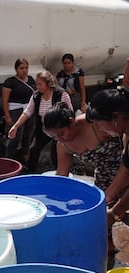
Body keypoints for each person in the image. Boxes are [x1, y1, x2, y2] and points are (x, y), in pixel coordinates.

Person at [43, 102, 122, 193]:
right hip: (104, 177)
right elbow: (62, 174)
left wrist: (111, 193)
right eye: (54, 137)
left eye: (61, 134)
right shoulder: (62, 145)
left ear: (71, 121)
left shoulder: (95, 123)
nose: (59, 139)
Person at [8, 70, 73, 172]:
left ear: (48, 83)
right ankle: (31, 173)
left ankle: (62, 174)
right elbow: (27, 112)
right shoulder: (36, 96)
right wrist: (15, 126)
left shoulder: (61, 94)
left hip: (59, 130)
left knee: (55, 154)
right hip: (44, 129)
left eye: (40, 84)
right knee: (33, 150)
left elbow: (70, 112)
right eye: (36, 83)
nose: (37, 86)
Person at [85, 87, 129, 227]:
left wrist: (114, 213)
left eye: (99, 123)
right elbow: (126, 169)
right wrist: (106, 197)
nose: (100, 128)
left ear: (116, 117)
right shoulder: (126, 133)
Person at [2, 58, 36, 164]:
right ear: (16, 69)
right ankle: (9, 159)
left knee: (28, 135)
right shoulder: (10, 82)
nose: (24, 70)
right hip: (15, 110)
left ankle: (25, 157)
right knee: (16, 136)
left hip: (29, 110)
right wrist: (7, 116)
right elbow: (5, 101)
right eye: (21, 68)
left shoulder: (31, 80)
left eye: (26, 68)